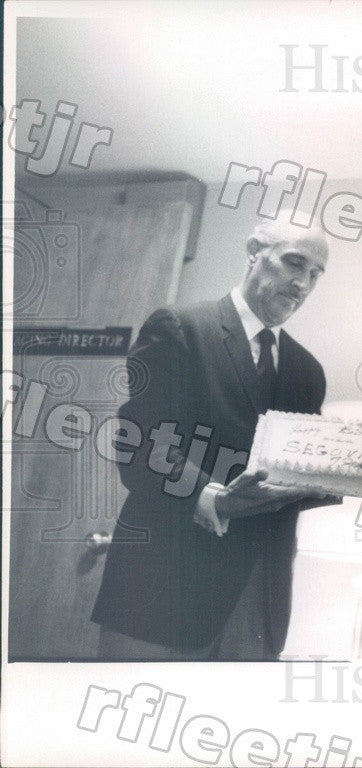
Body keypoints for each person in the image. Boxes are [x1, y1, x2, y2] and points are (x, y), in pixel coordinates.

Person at [92, 215, 332, 660]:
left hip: (258, 599)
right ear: (254, 252)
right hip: (163, 589)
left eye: (315, 274)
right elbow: (142, 446)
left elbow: (296, 474)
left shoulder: (307, 370)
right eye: (294, 263)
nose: (303, 283)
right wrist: (213, 498)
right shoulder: (179, 327)